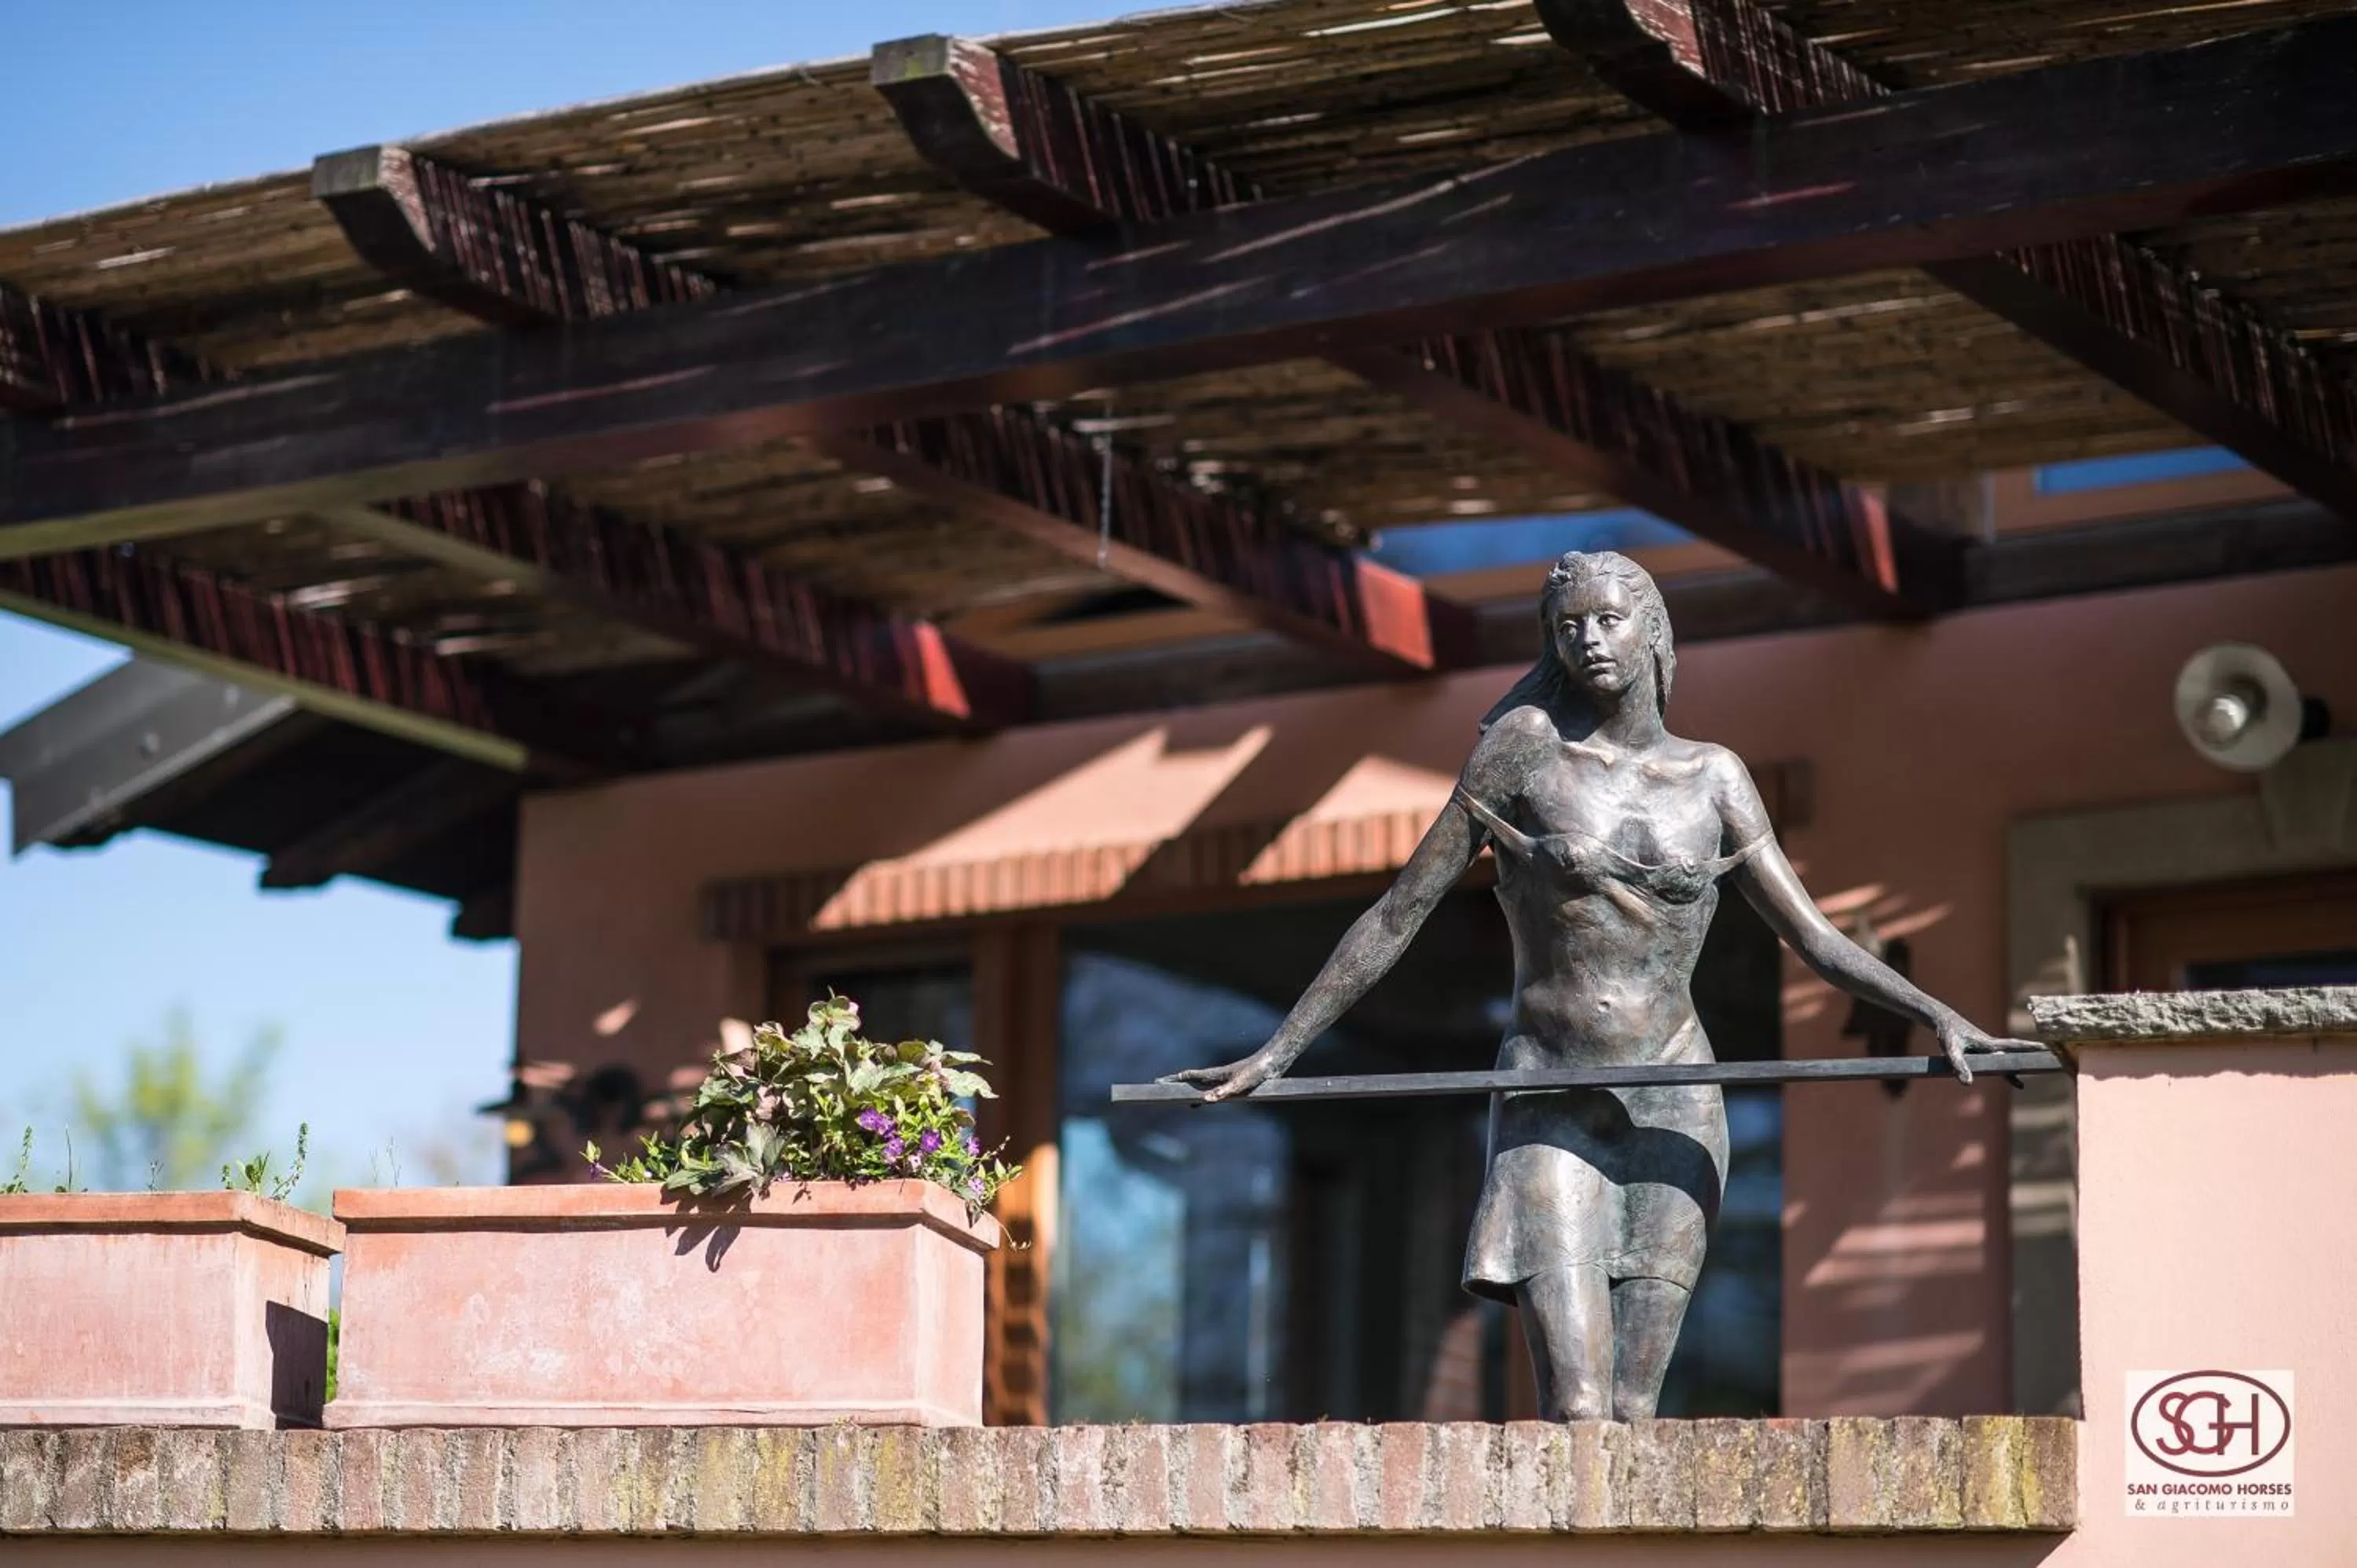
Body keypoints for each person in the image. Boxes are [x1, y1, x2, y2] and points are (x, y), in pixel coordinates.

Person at [1160, 550, 2030, 1420]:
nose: (1587, 640)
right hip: (1551, 1092)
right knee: (1578, 1409)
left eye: (1608, 619)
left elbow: (1812, 935)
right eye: (1567, 625)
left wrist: (1938, 1016)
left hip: (1677, 1096)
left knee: (1634, 1410)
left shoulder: (1716, 776)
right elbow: (1398, 914)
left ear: (1652, 630)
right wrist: (1279, 1049)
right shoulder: (1525, 751)